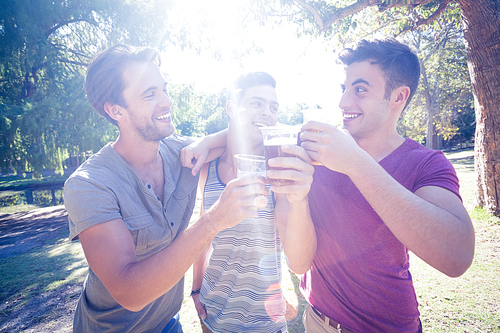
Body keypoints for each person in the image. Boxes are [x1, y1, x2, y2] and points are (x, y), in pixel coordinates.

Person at [63, 45, 269, 332]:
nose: (166, 102)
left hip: (168, 324)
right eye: (149, 94)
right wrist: (213, 220)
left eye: (164, 89)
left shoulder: (183, 154)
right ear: (115, 110)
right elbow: (129, 292)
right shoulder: (88, 185)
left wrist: (207, 141)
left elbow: (241, 132)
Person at [298, 38, 475, 332]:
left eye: (360, 89)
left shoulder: (425, 163)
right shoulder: (320, 149)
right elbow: (258, 129)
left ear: (398, 97)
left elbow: (457, 256)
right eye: (344, 89)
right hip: (317, 321)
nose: (343, 102)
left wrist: (356, 163)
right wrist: (209, 142)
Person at [190, 72, 317, 333]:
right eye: (257, 103)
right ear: (231, 108)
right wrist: (195, 288)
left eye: (273, 107)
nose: (268, 113)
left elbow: (298, 261)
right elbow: (203, 237)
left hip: (264, 322)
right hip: (212, 317)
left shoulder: (279, 173)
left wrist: (298, 200)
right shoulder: (208, 167)